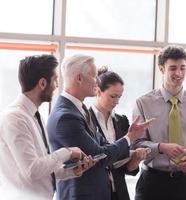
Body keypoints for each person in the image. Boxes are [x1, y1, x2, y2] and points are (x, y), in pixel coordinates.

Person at [47, 54, 153, 200]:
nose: (97, 80)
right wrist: (129, 137)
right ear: (79, 78)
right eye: (94, 76)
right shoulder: (66, 116)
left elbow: (103, 148)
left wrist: (132, 153)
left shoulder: (80, 108)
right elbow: (99, 156)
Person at [0, 55, 94, 200]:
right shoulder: (15, 118)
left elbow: (43, 167)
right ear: (42, 83)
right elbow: (32, 170)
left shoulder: (35, 115)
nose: (57, 85)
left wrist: (71, 171)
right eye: (55, 79)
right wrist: (67, 152)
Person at [133, 45, 186, 200]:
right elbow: (136, 144)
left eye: (183, 68)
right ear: (161, 69)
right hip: (152, 183)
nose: (179, 74)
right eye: (173, 68)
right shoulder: (143, 103)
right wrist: (160, 147)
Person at [89, 66, 149, 200]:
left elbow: (127, 167)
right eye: (112, 96)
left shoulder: (121, 121)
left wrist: (136, 159)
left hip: (119, 193)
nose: (116, 101)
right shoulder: (86, 120)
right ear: (98, 91)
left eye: (119, 97)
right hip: (95, 193)